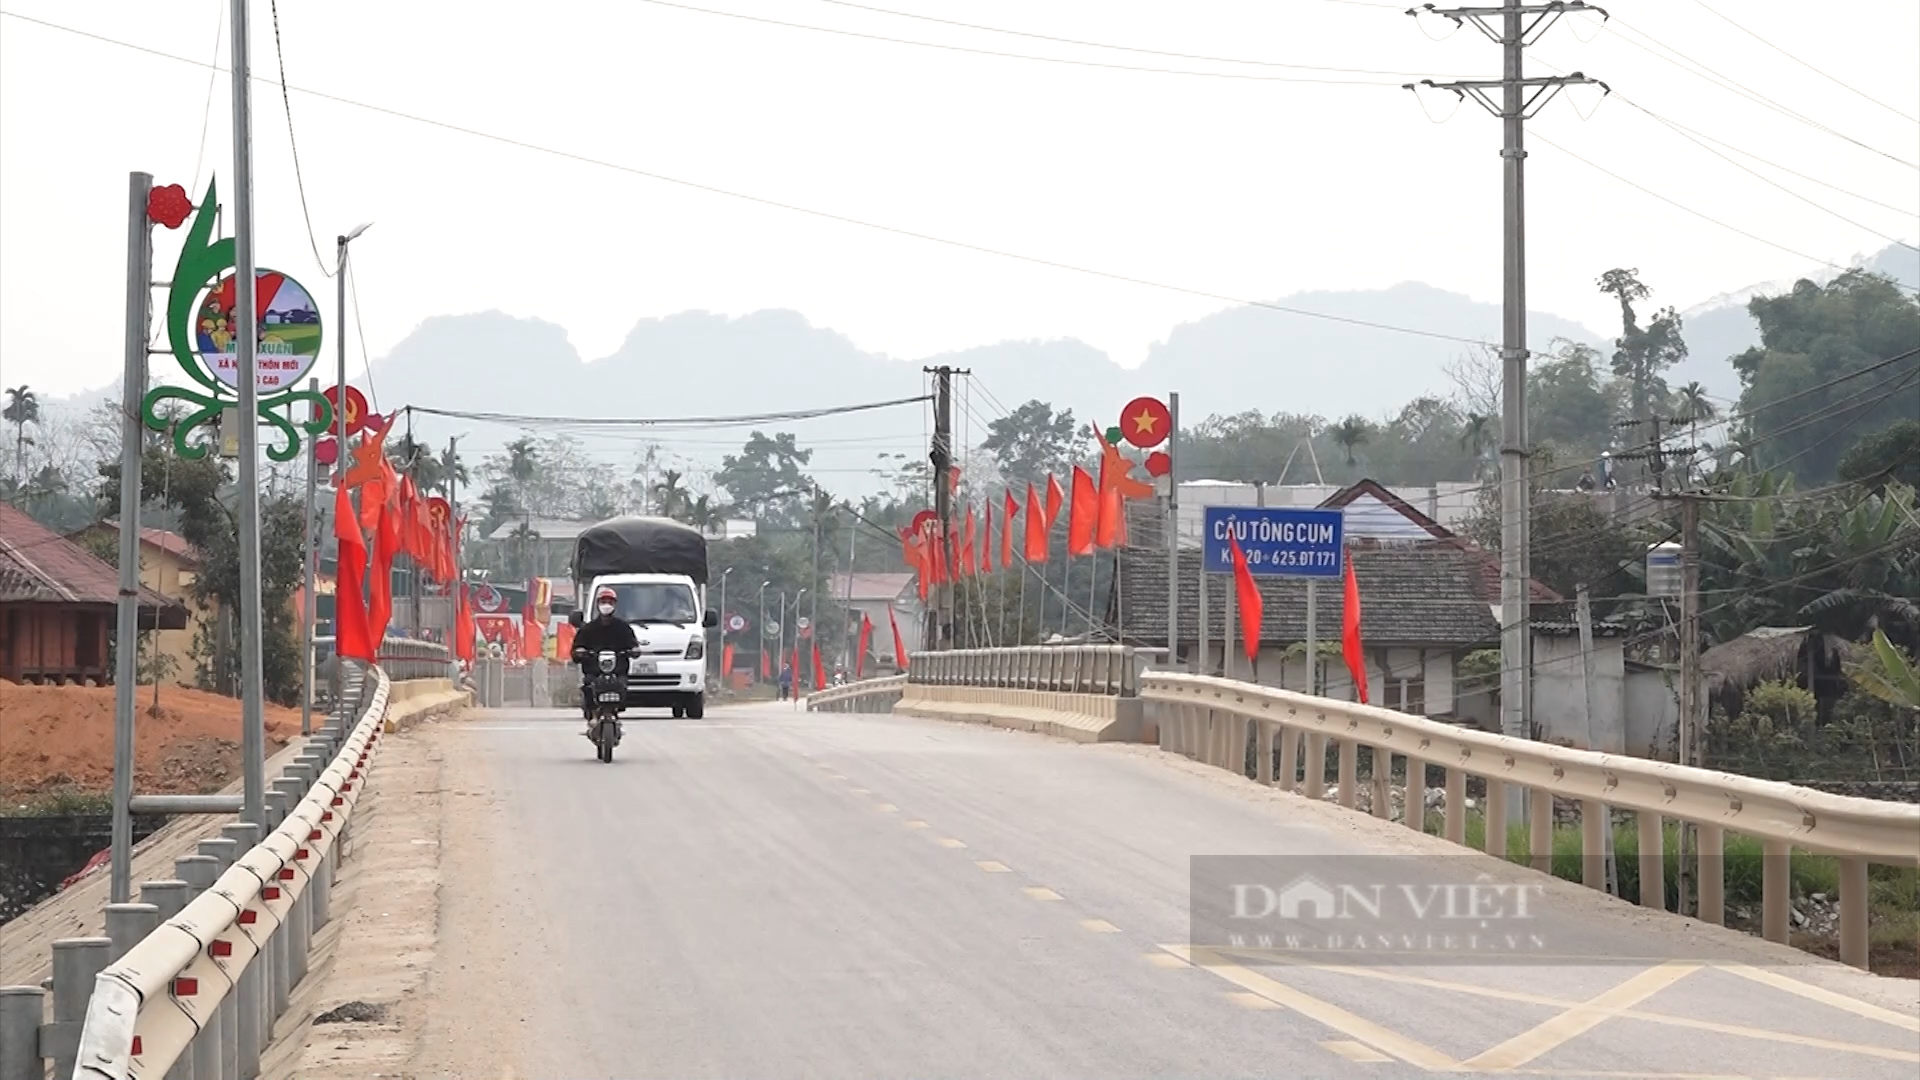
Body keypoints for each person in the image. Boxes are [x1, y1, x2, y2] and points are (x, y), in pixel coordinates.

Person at [572, 587, 639, 730]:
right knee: (589, 685)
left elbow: (633, 644)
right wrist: (580, 652)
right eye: (603, 601)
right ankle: (593, 714)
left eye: (609, 601)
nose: (606, 605)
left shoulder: (623, 627)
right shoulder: (588, 629)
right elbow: (576, 648)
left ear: (615, 605)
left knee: (622, 684)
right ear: (598, 604)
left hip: (617, 670)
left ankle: (615, 712)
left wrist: (633, 650)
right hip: (594, 671)